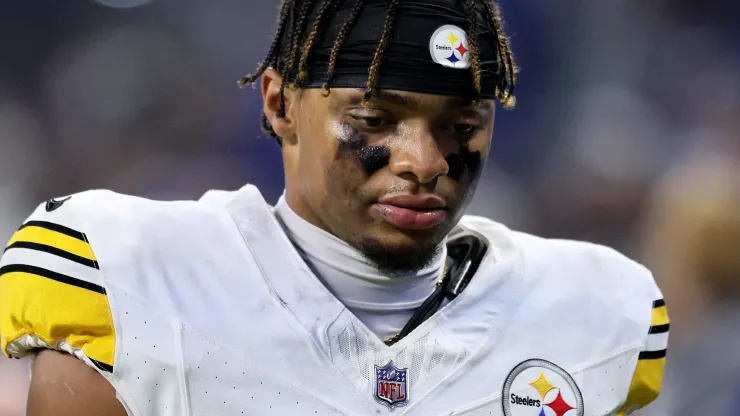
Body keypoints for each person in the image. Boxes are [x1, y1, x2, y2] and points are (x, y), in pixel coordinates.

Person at [0, 0, 667, 415]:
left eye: (462, 124)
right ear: (279, 104)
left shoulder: (593, 311)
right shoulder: (124, 274)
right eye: (376, 119)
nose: (424, 161)